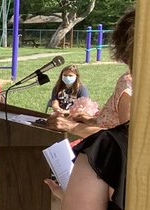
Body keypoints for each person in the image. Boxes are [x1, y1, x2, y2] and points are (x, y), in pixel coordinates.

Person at [48, 8, 135, 139]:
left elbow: (125, 139)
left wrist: (71, 126)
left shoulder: (130, 89)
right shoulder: (129, 79)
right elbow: (115, 125)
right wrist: (92, 120)